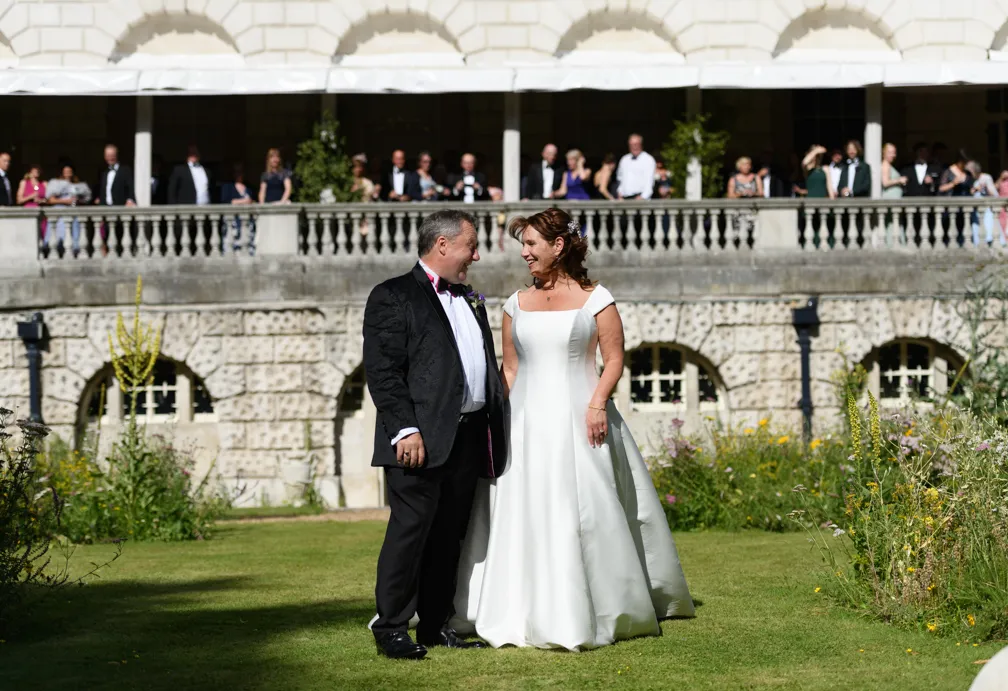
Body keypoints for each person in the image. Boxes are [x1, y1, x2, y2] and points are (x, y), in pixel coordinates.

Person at [454, 207, 694, 650]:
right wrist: (493, 420)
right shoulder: (514, 304)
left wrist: (598, 403)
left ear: (558, 246)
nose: (524, 253)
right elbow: (509, 370)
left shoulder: (596, 298)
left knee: (581, 509)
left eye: (531, 244)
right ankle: (518, 608)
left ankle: (598, 606)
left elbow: (615, 358)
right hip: (525, 423)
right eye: (523, 245)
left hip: (582, 417)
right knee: (522, 509)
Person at [363, 209, 507, 660]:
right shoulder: (393, 295)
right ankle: (391, 628)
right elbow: (384, 372)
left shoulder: (469, 298)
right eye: (471, 245)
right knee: (410, 533)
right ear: (442, 245)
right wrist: (405, 429)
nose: (477, 255)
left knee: (449, 536)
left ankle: (436, 624)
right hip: (417, 441)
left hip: (466, 437)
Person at [45, 161, 92, 255]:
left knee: (74, 237)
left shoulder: (79, 185)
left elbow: (85, 199)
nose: (68, 173)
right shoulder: (56, 184)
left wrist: (78, 200)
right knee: (60, 237)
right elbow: (50, 200)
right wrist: (65, 201)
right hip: (60, 215)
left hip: (74, 215)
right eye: (66, 171)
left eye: (69, 171)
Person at [220, 164, 256, 254]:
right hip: (232, 222)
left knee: (247, 246)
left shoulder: (248, 187)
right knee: (231, 247)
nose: (239, 174)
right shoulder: (227, 186)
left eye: (241, 172)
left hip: (247, 222)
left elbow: (253, 200)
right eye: (237, 172)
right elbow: (226, 201)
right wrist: (244, 201)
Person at [616, 134, 656, 200]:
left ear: (641, 145)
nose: (634, 147)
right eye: (631, 145)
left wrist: (642, 197)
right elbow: (620, 179)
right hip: (624, 199)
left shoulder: (648, 160)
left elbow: (650, 182)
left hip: (640, 199)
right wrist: (619, 193)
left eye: (636, 144)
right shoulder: (624, 159)